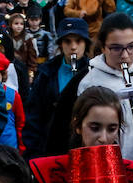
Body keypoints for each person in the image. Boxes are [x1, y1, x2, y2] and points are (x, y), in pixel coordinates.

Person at [46, 12, 133, 170]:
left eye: (131, 47)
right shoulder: (84, 82)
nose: (125, 55)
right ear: (103, 47)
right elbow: (58, 137)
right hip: (96, 177)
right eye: (116, 48)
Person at [24, 17, 90, 157]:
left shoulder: (94, 72)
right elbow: (34, 113)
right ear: (60, 44)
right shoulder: (46, 73)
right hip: (51, 146)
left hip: (85, 146)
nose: (73, 47)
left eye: (78, 41)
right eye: (67, 41)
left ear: (85, 43)